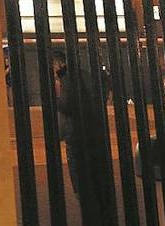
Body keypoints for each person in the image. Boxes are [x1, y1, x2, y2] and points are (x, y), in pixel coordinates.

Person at [51, 51, 116, 222]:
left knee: (81, 179)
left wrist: (53, 99)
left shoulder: (67, 79)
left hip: (76, 135)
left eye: (52, 65)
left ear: (58, 63)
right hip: (93, 132)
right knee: (95, 178)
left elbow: (67, 104)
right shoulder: (84, 74)